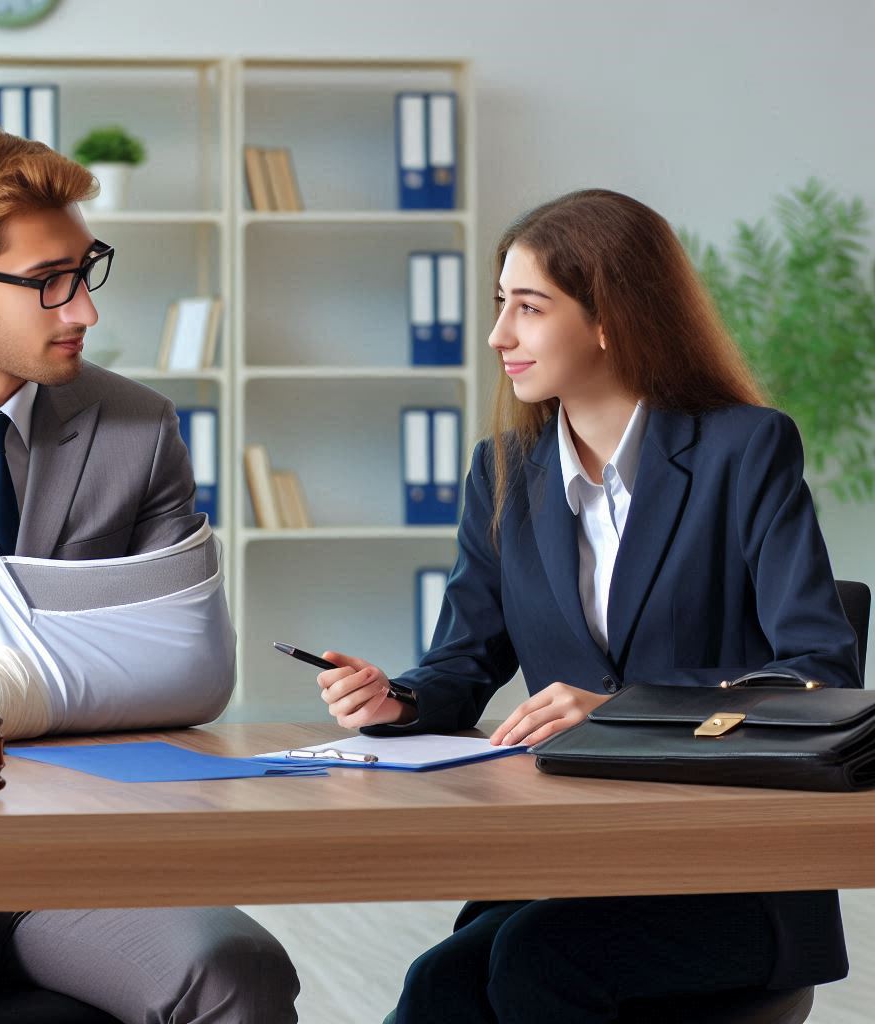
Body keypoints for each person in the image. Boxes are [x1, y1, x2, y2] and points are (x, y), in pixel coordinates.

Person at [315, 189, 861, 1023]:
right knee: (440, 982)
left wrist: (625, 712)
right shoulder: (502, 471)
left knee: (536, 963)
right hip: (566, 860)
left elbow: (821, 669)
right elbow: (464, 663)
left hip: (728, 879)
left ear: (611, 317)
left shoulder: (744, 449)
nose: (500, 335)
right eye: (501, 306)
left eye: (528, 308)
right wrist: (401, 699)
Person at [0, 127, 297, 1023]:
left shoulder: (138, 430)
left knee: (235, 972)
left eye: (85, 270)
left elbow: (189, 669)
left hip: (78, 851)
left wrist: (21, 690)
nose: (83, 311)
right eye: (49, 282)